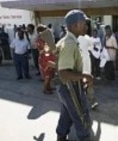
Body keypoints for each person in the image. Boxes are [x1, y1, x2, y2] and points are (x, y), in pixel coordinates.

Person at [55, 9, 93, 141]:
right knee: (81, 117)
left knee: (66, 115)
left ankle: (61, 136)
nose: (86, 26)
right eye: (83, 23)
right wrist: (86, 76)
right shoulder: (69, 44)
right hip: (70, 88)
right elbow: (64, 73)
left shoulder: (65, 41)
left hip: (66, 87)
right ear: (74, 26)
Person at [36, 25, 56, 94]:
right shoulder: (39, 40)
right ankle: (45, 89)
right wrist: (48, 48)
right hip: (45, 60)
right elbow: (41, 51)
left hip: (50, 58)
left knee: (50, 75)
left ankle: (49, 87)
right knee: (47, 76)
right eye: (45, 30)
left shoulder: (47, 38)